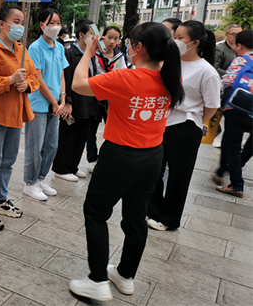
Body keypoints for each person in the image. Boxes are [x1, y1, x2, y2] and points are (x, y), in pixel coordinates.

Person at [69, 22, 185, 302]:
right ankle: (125, 275)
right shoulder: (172, 79)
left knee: (96, 212)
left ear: (139, 48)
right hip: (152, 158)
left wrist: (88, 52)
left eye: (131, 42)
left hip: (120, 156)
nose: (127, 47)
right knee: (135, 218)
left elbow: (78, 85)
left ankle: (97, 280)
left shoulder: (125, 78)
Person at [147, 21, 220, 231]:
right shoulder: (171, 62)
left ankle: (169, 218)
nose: (175, 41)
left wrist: (194, 119)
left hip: (186, 126)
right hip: (162, 120)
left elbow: (212, 106)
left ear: (195, 43)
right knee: (154, 169)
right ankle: (152, 211)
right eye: (174, 36)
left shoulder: (207, 71)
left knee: (179, 175)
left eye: (181, 38)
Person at [0, 5, 39, 231]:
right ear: (2, 24)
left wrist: (27, 85)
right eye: (16, 21)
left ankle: (0, 199)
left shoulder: (22, 50)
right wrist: (10, 80)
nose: (20, 26)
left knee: (8, 161)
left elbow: (33, 77)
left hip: (15, 114)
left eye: (22, 22)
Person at [23, 8, 70, 200]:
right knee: (35, 145)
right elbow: (38, 78)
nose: (56, 26)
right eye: (51, 23)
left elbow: (61, 74)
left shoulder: (59, 47)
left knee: (51, 145)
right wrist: (53, 101)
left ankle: (41, 178)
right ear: (42, 25)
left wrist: (63, 99)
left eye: (58, 23)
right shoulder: (35, 48)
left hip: (56, 104)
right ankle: (30, 182)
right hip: (39, 104)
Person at [52, 20, 98, 183]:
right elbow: (67, 78)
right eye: (92, 34)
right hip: (74, 103)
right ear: (81, 35)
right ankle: (61, 168)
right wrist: (68, 102)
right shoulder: (70, 53)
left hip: (87, 105)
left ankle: (73, 167)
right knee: (68, 136)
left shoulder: (90, 55)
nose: (95, 38)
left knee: (81, 137)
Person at [213, 29, 253, 198]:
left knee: (232, 146)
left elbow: (227, 82)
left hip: (237, 109)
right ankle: (225, 170)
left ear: (239, 45)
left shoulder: (240, 61)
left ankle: (237, 185)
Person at [86, 25, 128, 172]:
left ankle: (107, 158)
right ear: (103, 37)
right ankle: (92, 159)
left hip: (111, 100)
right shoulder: (95, 55)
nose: (112, 41)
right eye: (109, 37)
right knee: (91, 131)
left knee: (112, 129)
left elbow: (123, 77)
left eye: (116, 39)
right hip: (94, 98)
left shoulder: (120, 57)